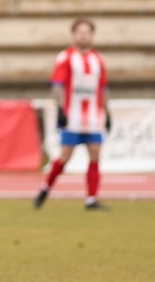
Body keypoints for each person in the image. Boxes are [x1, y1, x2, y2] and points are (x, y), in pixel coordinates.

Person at [35, 19, 110, 211]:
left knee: (95, 153)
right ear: (74, 35)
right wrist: (60, 109)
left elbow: (103, 88)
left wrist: (107, 112)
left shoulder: (98, 59)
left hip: (93, 117)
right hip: (72, 116)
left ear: (92, 35)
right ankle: (45, 189)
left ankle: (91, 199)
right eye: (79, 32)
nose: (83, 36)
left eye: (87, 32)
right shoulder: (66, 57)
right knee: (65, 156)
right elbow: (57, 85)